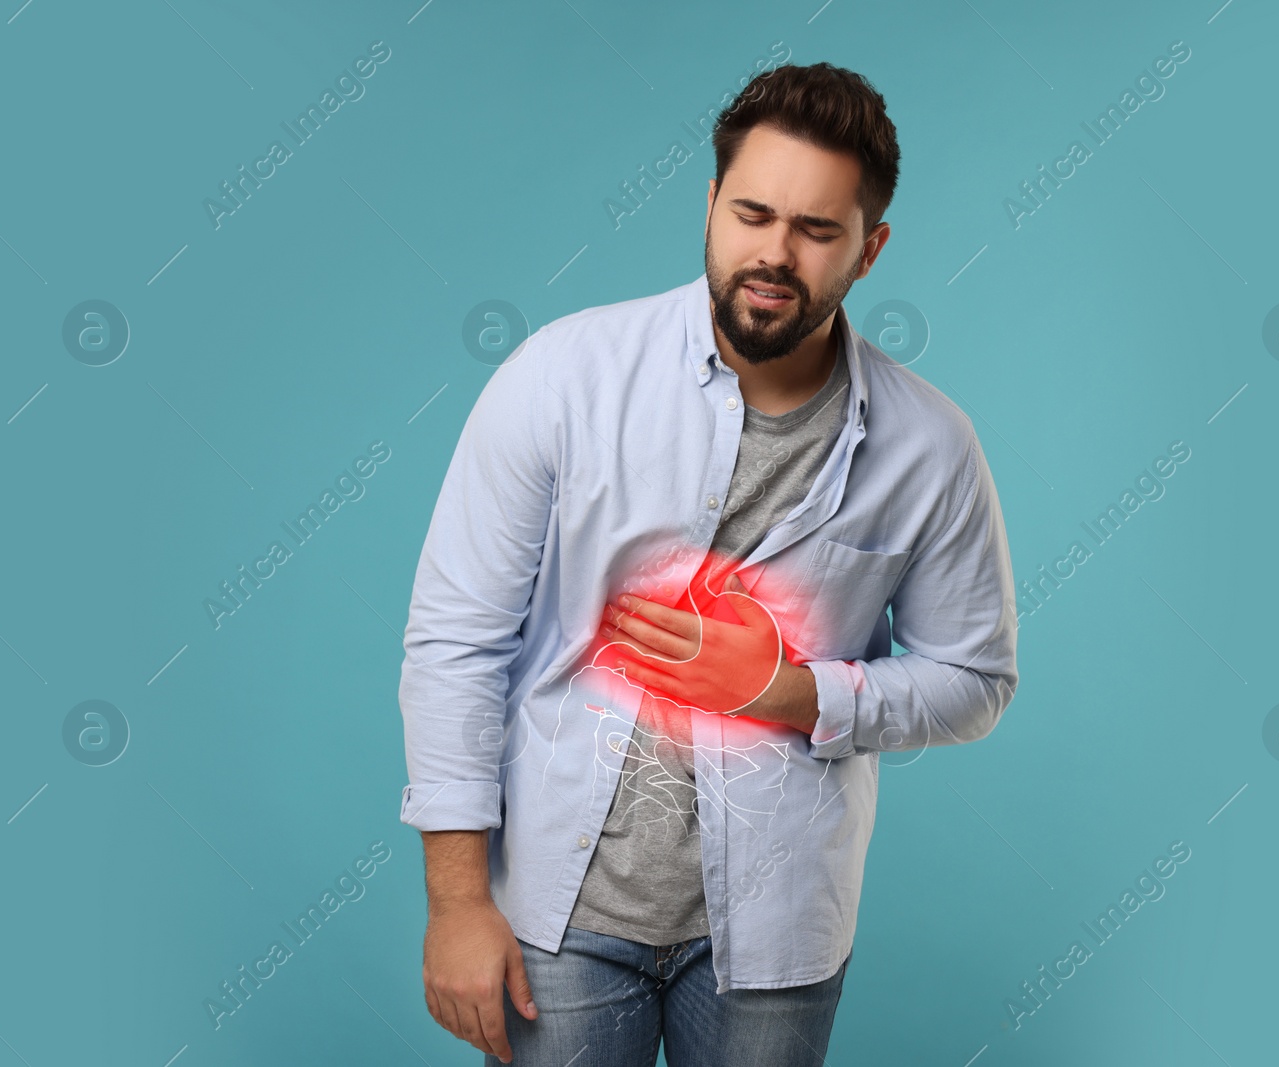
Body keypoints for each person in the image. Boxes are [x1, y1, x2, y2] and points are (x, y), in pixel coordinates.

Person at [398, 61, 1018, 1066]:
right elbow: (455, 640)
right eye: (751, 213)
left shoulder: (930, 445)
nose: (773, 253)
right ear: (710, 203)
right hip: (561, 913)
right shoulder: (562, 377)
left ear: (870, 249)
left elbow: (974, 681)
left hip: (777, 927)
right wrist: (458, 899)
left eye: (817, 230)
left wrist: (790, 691)